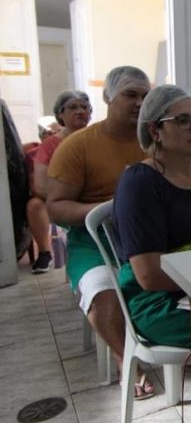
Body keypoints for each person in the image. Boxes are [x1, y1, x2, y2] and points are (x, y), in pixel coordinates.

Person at [46, 66, 156, 399]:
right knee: (102, 291)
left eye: (145, 96)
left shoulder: (155, 141)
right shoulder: (78, 146)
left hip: (149, 236)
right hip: (93, 242)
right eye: (130, 95)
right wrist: (112, 208)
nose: (139, 103)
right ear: (108, 97)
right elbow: (56, 207)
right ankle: (128, 358)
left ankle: (184, 343)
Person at [112, 85, 191, 347]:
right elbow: (149, 276)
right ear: (154, 131)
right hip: (160, 298)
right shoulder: (140, 184)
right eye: (182, 120)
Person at [28, 92, 92, 273]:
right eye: (73, 107)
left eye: (84, 107)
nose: (80, 111)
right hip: (63, 200)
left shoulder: (97, 138)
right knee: (35, 204)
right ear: (60, 114)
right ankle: (45, 253)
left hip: (95, 197)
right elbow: (40, 186)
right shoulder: (50, 145)